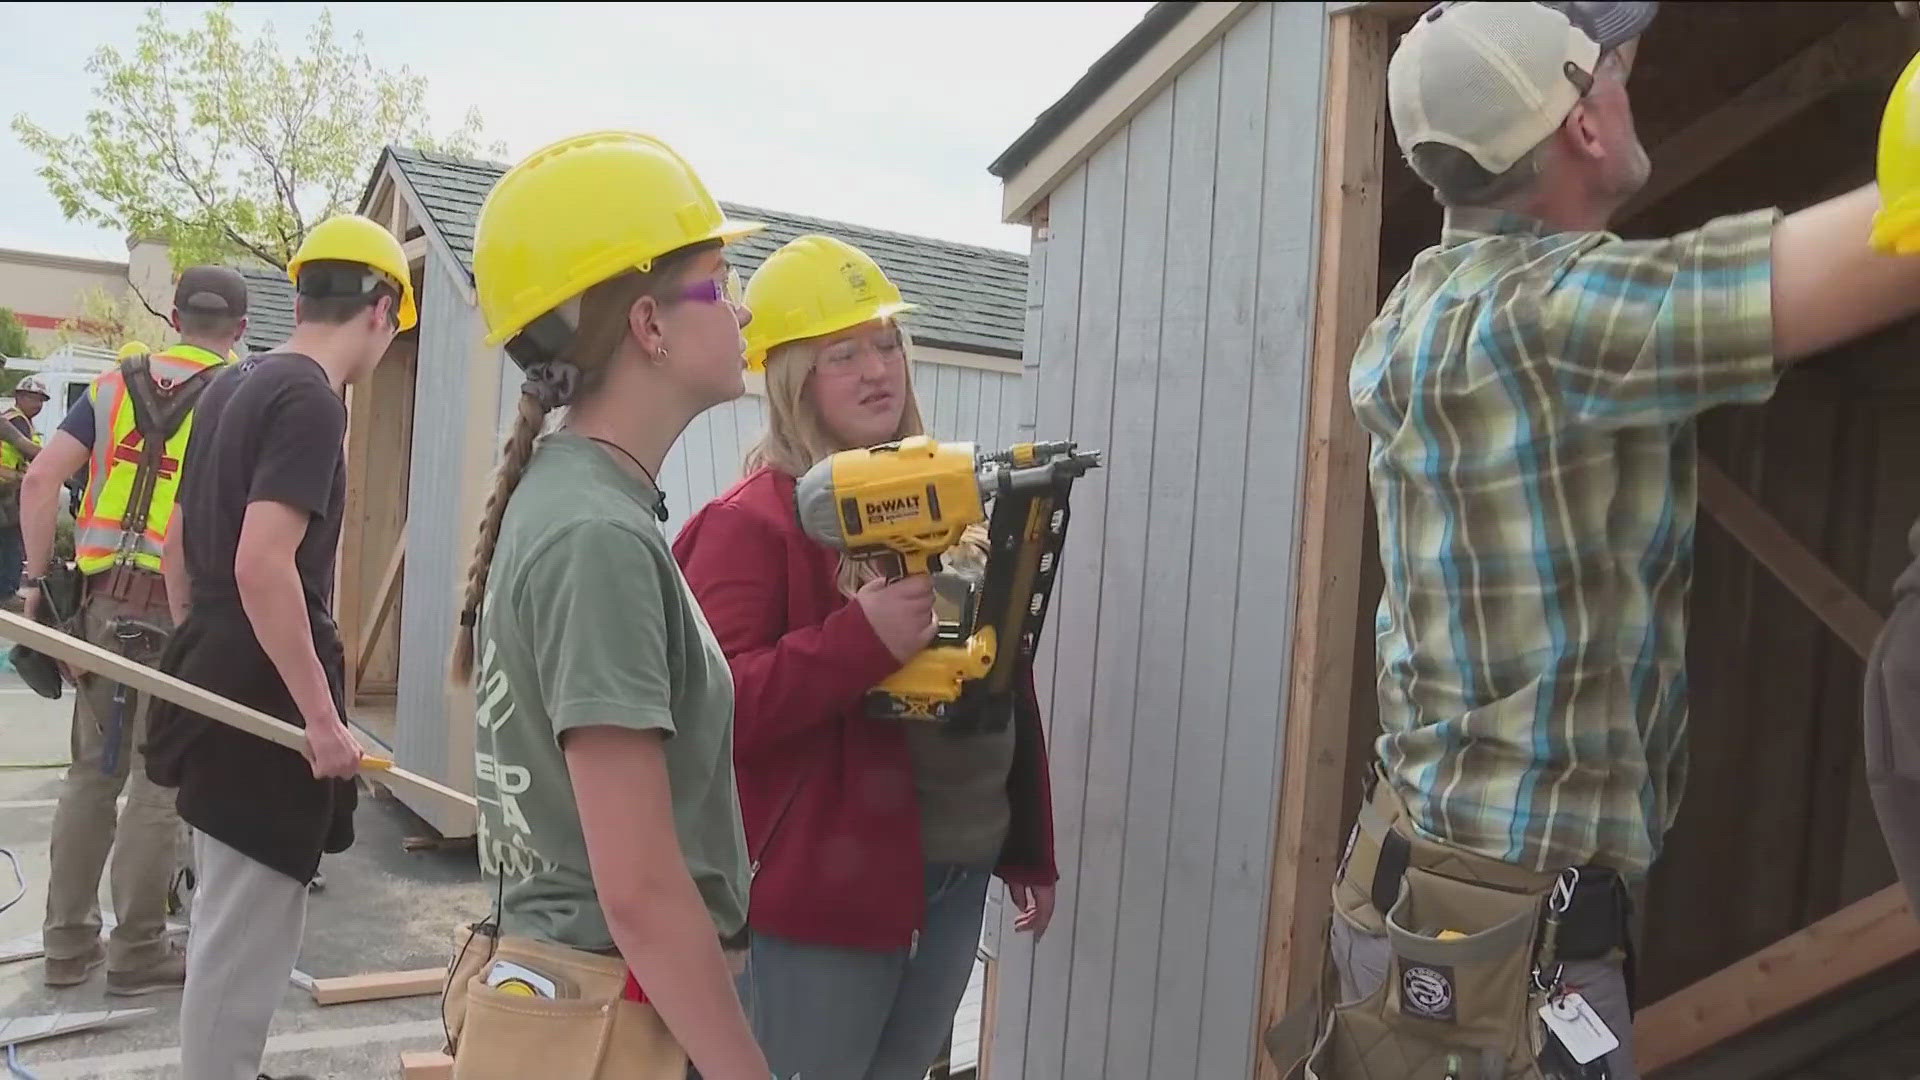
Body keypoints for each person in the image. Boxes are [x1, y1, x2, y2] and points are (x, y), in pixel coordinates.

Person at [1272, 4, 1920, 1078]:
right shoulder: (1566, 323)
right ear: (1581, 125)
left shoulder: (1411, 318)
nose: (1632, 78)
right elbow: (1897, 240)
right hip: (1516, 951)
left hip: (1408, 887)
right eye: (1616, 66)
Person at [672, 234, 1058, 1080]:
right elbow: (707, 712)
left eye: (887, 345)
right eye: (841, 354)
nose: (877, 370)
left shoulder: (943, 504)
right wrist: (858, 641)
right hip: (817, 905)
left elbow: (1001, 681)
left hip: (953, 875)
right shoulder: (750, 526)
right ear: (789, 380)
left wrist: (1027, 844)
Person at [442, 130, 769, 1080]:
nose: (742, 308)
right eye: (718, 282)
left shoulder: (574, 501)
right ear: (648, 325)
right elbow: (640, 890)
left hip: (575, 1003)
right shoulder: (597, 535)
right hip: (606, 1021)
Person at [144, 215, 412, 1080]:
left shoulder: (232, 383)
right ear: (381, 310)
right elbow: (265, 563)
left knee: (230, 917)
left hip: (218, 657)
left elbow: (178, 541)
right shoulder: (309, 398)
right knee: (245, 934)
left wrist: (203, 644)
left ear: (298, 294)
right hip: (263, 683)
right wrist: (322, 716)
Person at [17, 270, 246, 997]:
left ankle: (65, 947)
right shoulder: (240, 396)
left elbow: (40, 478)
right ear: (240, 328)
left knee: (91, 774)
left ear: (175, 316)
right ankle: (138, 949)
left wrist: (32, 579)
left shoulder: (113, 388)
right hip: (178, 613)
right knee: (157, 783)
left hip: (99, 610)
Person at [0, 375, 50, 607]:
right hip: (6, 491)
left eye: (41, 400)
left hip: (10, 489)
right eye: (32, 398)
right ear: (18, 397)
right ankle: (7, 593)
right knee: (12, 541)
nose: (37, 404)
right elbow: (31, 453)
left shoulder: (18, 420)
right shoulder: (15, 422)